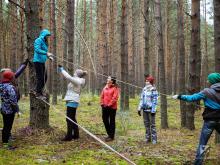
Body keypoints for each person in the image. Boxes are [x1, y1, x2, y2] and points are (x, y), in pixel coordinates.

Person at [172, 73, 220, 165]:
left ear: (213, 81)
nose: (207, 81)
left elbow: (192, 98)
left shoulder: (206, 91)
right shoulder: (207, 91)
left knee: (203, 144)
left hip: (210, 121)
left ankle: (198, 163)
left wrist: (179, 96)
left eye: (209, 80)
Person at [58, 65, 87, 141]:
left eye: (75, 72)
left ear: (76, 74)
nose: (74, 73)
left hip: (73, 101)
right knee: (72, 118)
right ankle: (76, 135)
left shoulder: (77, 81)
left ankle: (69, 136)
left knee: (69, 119)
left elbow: (68, 77)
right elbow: (70, 77)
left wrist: (62, 70)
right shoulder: (78, 80)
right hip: (72, 100)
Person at [0, 71, 19, 150]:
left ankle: (6, 142)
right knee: (8, 127)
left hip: (3, 109)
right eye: (12, 76)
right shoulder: (10, 87)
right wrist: (17, 111)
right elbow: (13, 101)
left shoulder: (1, 85)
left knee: (6, 127)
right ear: (10, 78)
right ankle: (6, 145)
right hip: (9, 111)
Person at [33, 29, 54, 99]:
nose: (48, 37)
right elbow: (37, 49)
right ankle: (38, 93)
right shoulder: (38, 40)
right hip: (37, 61)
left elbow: (44, 52)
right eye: (47, 36)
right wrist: (46, 53)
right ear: (43, 35)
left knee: (45, 77)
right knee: (40, 78)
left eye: (48, 36)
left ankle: (40, 91)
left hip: (42, 61)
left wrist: (48, 57)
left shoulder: (44, 42)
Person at [138, 75, 158, 144]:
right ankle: (147, 138)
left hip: (151, 110)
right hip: (144, 110)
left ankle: (154, 139)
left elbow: (155, 101)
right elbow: (141, 99)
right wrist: (139, 108)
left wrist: (153, 110)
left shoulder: (153, 89)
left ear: (151, 82)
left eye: (147, 81)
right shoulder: (144, 89)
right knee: (146, 124)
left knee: (152, 125)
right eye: (146, 81)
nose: (146, 82)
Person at [100, 76, 119, 142]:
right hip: (104, 107)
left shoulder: (115, 88)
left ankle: (111, 136)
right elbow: (102, 96)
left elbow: (115, 98)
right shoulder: (105, 87)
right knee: (104, 120)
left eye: (108, 78)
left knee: (112, 121)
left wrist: (109, 105)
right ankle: (109, 134)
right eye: (107, 78)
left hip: (112, 108)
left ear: (112, 81)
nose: (107, 79)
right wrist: (102, 103)